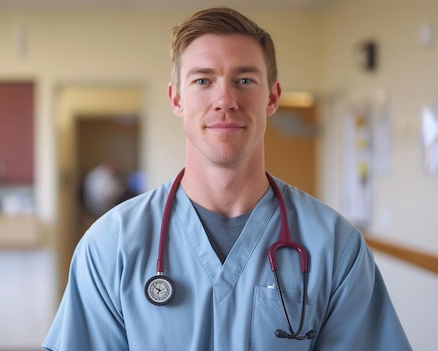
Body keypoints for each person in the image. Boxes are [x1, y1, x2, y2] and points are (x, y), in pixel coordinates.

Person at [43, 7, 411, 351]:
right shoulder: (110, 246)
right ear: (176, 100)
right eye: (203, 80)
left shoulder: (335, 246)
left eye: (245, 80)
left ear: (272, 97)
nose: (225, 99)